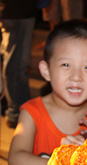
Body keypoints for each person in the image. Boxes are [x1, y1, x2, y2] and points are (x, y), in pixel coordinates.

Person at [8, 18, 87, 165]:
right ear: (46, 71)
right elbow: (16, 158)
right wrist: (62, 161)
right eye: (65, 64)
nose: (76, 77)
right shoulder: (32, 113)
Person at [0, 0, 38, 128]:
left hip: (25, 11)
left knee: (19, 65)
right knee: (15, 65)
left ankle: (20, 111)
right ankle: (16, 112)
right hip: (12, 12)